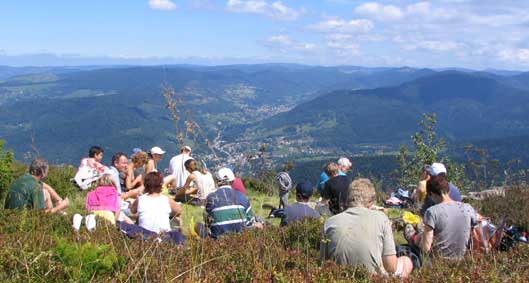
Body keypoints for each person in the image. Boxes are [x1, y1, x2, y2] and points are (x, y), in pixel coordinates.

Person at [320, 178, 413, 277]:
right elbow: (391, 267)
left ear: (348, 199)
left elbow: (324, 263)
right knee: (406, 262)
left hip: (339, 277)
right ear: (370, 202)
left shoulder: (329, 223)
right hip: (374, 278)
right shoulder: (381, 218)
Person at [405, 174, 479, 260]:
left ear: (431, 194)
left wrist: (417, 240)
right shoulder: (467, 208)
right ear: (449, 191)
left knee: (413, 233)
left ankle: (412, 236)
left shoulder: (432, 212)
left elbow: (426, 248)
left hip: (438, 261)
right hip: (463, 260)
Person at [205, 167, 263, 239]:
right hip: (241, 239)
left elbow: (207, 222)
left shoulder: (210, 197)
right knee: (259, 223)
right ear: (232, 181)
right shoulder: (242, 196)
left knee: (198, 226)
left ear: (217, 181)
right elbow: (250, 223)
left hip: (217, 240)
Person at [5, 158, 69, 213]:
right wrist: (59, 207)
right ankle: (52, 220)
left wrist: (58, 199)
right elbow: (41, 215)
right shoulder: (36, 187)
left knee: (46, 192)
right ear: (43, 172)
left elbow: (44, 185)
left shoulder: (23, 178)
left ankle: (54, 218)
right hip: (22, 221)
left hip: (8, 217)